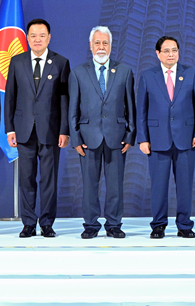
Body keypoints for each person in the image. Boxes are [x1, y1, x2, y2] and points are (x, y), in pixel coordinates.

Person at [4, 18, 71, 238]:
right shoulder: (17, 62)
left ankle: (47, 223)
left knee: (48, 179)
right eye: (33, 35)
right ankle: (29, 223)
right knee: (26, 179)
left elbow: (64, 99)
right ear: (27, 38)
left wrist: (64, 130)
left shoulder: (61, 63)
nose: (37, 39)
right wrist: (10, 128)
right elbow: (10, 96)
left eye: (42, 35)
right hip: (23, 130)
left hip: (51, 130)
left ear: (49, 38)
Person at [68, 26, 135, 239]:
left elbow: (130, 106)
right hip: (88, 138)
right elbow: (73, 109)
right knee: (90, 184)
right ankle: (90, 224)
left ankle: (114, 224)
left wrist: (130, 135)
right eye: (97, 42)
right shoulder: (78, 72)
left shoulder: (124, 71)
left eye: (105, 43)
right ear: (90, 45)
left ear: (111, 46)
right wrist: (75, 138)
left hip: (117, 137)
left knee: (115, 185)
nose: (101, 47)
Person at [136, 36, 195, 239]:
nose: (171, 54)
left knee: (185, 186)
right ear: (158, 54)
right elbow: (141, 110)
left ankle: (184, 225)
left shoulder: (191, 74)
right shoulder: (148, 76)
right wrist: (143, 138)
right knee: (158, 186)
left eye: (174, 50)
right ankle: (158, 225)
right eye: (166, 51)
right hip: (157, 139)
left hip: (186, 139)